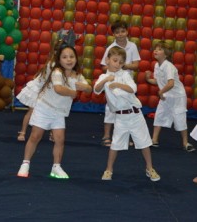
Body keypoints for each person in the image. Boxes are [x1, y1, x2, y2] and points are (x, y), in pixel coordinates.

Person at [17, 43, 92, 179]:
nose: (69, 60)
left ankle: (56, 167)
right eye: (64, 57)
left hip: (59, 112)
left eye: (71, 57)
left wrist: (86, 88)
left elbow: (89, 88)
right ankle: (25, 163)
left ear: (76, 59)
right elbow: (58, 89)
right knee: (35, 136)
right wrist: (73, 93)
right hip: (44, 108)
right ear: (59, 60)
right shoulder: (57, 72)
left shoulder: (77, 75)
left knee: (60, 139)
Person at [94, 46, 160, 181]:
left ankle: (149, 168)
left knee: (144, 143)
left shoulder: (125, 74)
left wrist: (118, 84)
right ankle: (108, 169)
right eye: (115, 60)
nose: (117, 64)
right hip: (120, 118)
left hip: (135, 115)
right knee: (115, 144)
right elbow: (96, 90)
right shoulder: (103, 76)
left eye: (120, 62)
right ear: (107, 60)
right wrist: (107, 80)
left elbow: (133, 88)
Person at [145, 40, 195, 152]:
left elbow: (171, 83)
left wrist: (161, 92)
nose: (156, 51)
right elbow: (158, 81)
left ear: (166, 54)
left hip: (177, 97)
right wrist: (148, 79)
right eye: (156, 49)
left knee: (180, 119)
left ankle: (185, 143)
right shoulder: (157, 66)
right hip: (166, 95)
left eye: (159, 49)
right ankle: (154, 140)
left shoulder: (169, 66)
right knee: (159, 116)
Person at [16, 35, 65, 142]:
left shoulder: (59, 64)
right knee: (32, 110)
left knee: (53, 110)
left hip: (48, 90)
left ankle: (53, 132)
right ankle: (23, 131)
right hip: (39, 88)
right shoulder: (53, 64)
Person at [100, 20, 140, 147]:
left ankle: (125, 135)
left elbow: (136, 65)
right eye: (117, 32)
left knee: (127, 107)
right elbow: (103, 66)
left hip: (127, 81)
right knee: (110, 108)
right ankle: (106, 135)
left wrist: (124, 66)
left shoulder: (132, 46)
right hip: (113, 80)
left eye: (123, 31)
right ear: (113, 34)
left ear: (127, 32)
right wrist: (114, 68)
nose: (121, 34)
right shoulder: (110, 48)